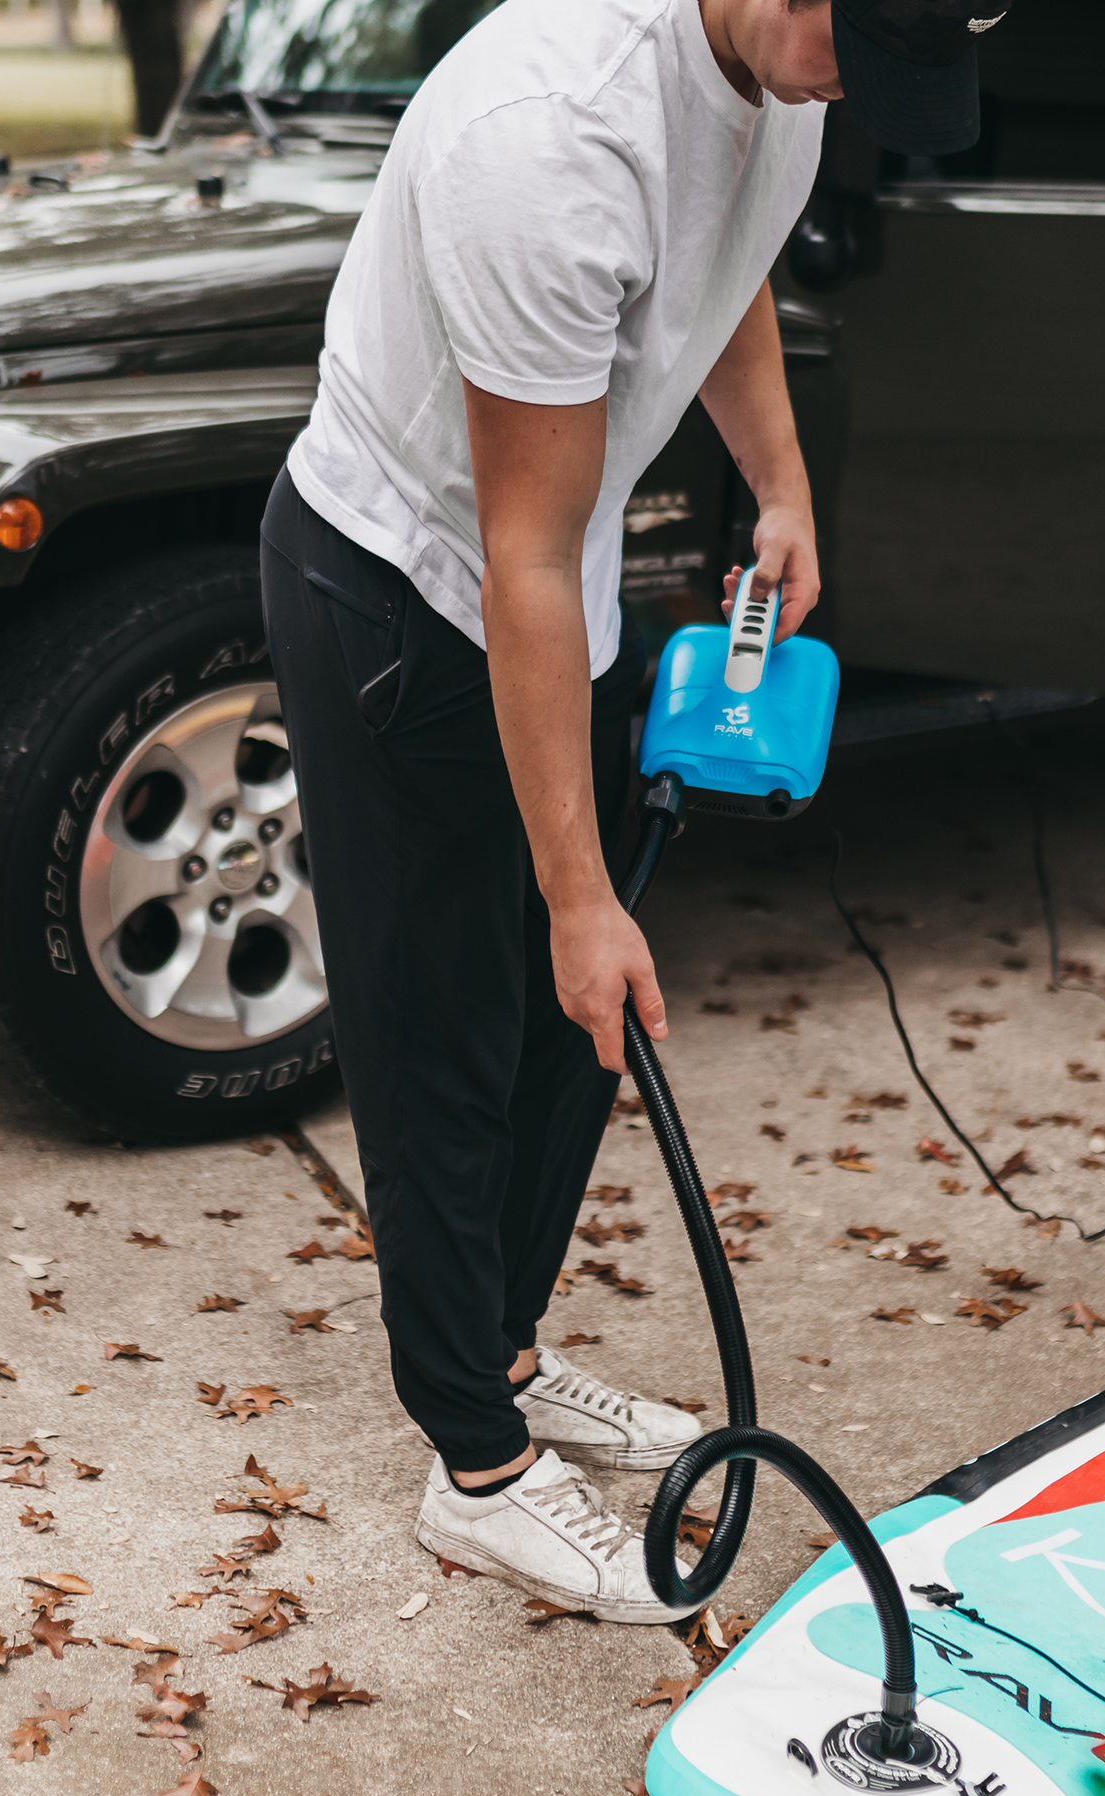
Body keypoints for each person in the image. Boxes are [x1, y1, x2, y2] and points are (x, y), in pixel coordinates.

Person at [260, 0, 988, 1623]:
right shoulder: (548, 137)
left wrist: (780, 482)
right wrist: (580, 898)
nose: (853, 90)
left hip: (548, 593)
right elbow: (514, 548)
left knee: (559, 1031)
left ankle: (508, 1348)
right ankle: (474, 1461)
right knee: (450, 1021)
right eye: (856, 46)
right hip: (410, 591)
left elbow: (720, 274)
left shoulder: (784, 61)